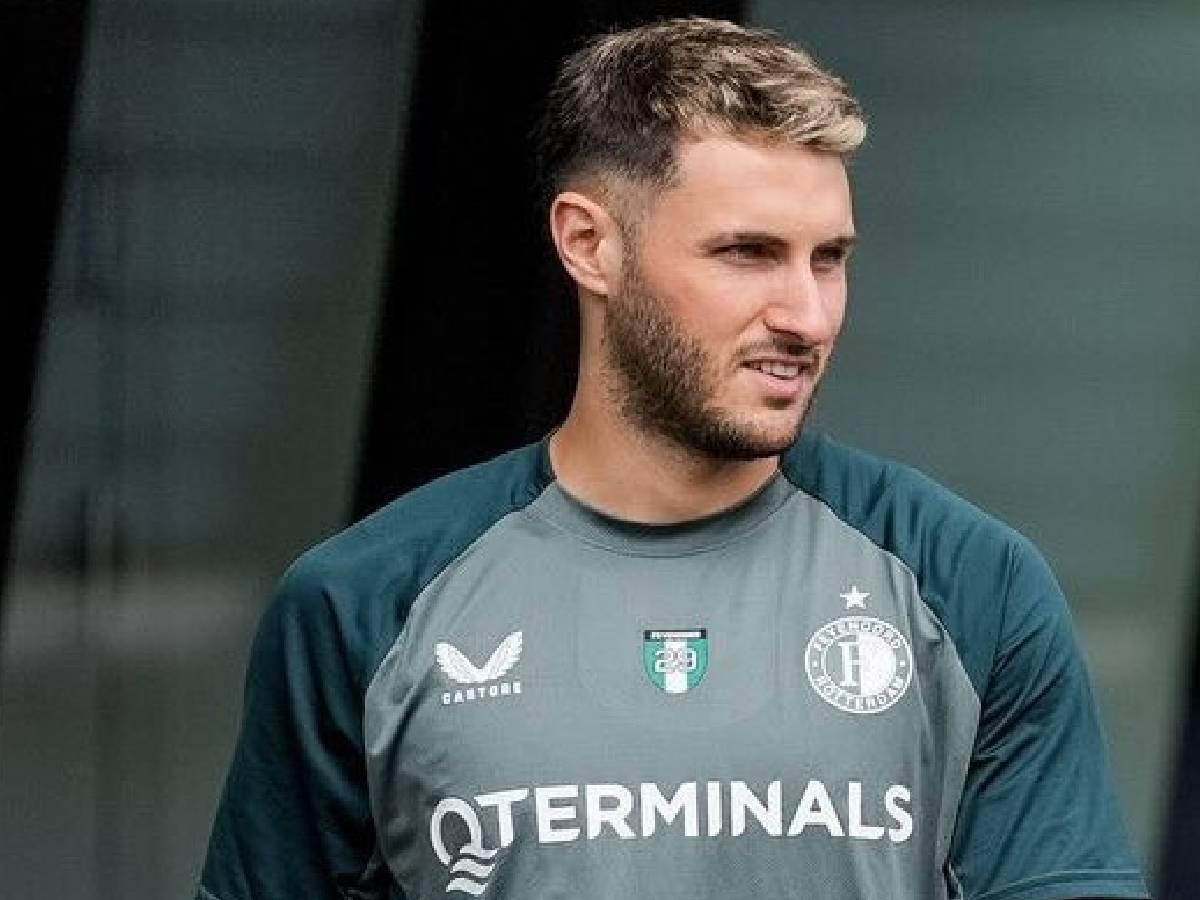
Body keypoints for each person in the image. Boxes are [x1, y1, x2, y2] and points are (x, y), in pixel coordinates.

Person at [196, 17, 1149, 900]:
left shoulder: (969, 584)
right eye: (748, 253)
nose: (807, 317)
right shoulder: (364, 604)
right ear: (588, 245)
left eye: (829, 258)